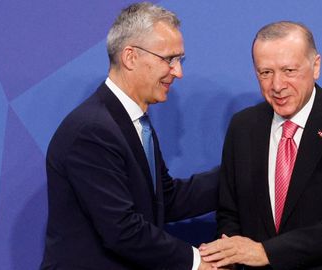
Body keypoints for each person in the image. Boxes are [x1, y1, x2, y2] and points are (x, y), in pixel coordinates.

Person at [40, 2, 219, 269]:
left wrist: (239, 175)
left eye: (180, 60)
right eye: (169, 59)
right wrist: (196, 262)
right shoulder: (92, 130)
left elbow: (163, 200)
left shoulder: (131, 121)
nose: (178, 72)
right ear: (130, 57)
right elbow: (121, 230)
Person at [199, 21, 322, 269]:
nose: (277, 85)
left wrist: (267, 252)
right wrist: (229, 255)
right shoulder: (243, 126)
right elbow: (229, 212)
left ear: (315, 66)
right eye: (265, 73)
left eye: (288, 71)